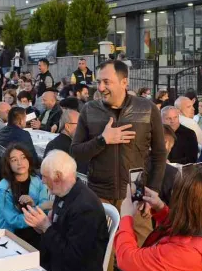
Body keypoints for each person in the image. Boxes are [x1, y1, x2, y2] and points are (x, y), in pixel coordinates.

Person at [71, 59, 167, 245]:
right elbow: (76, 152)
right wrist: (103, 140)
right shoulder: (89, 110)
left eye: (107, 82)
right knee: (102, 254)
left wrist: (152, 191)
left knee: (142, 253)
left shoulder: (147, 109)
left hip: (136, 195)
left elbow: (160, 154)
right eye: (98, 82)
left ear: (124, 82)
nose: (100, 87)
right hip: (99, 195)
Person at [22, 150, 108, 271]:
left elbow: (73, 256)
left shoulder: (85, 207)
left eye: (45, 177)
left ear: (58, 177)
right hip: (56, 266)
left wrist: (46, 228)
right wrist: (42, 227)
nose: (42, 181)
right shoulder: (64, 192)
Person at [0, 144, 50, 247]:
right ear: (9, 164)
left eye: (23, 157)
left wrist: (34, 206)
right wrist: (37, 209)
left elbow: (45, 211)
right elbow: (13, 220)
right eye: (14, 160)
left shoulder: (38, 182)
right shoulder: (3, 188)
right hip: (9, 236)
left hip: (35, 234)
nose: (20, 163)